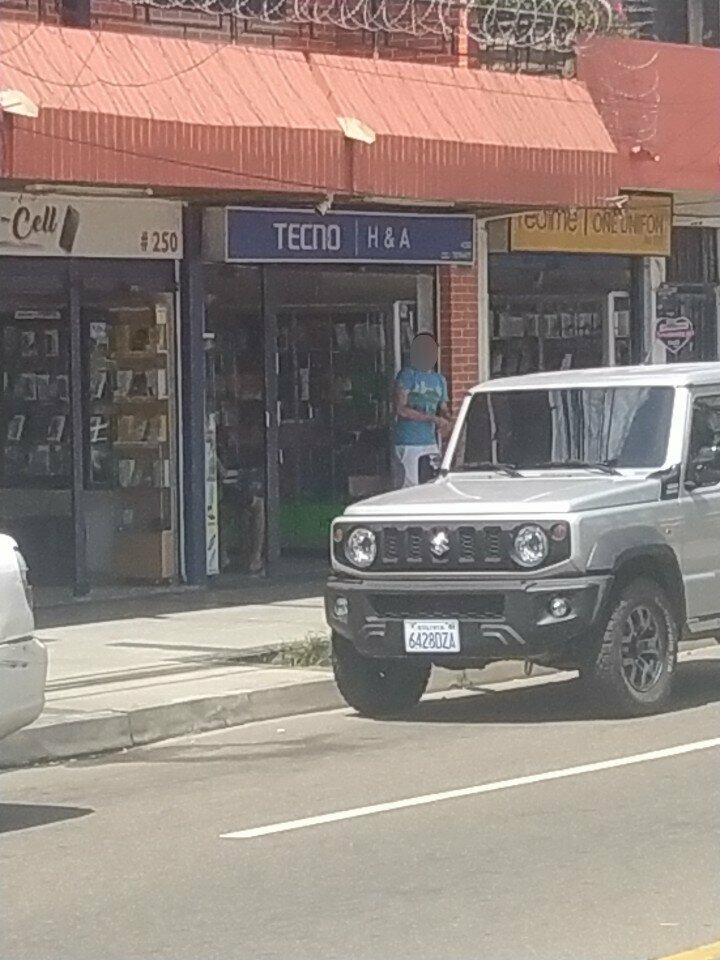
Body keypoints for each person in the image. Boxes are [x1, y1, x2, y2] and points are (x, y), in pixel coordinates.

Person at [393, 332, 452, 488]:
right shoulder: (407, 375)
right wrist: (433, 419)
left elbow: (443, 408)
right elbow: (402, 409)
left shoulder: (440, 380)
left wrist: (448, 420)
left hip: (430, 440)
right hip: (408, 441)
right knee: (410, 486)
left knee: (434, 482)